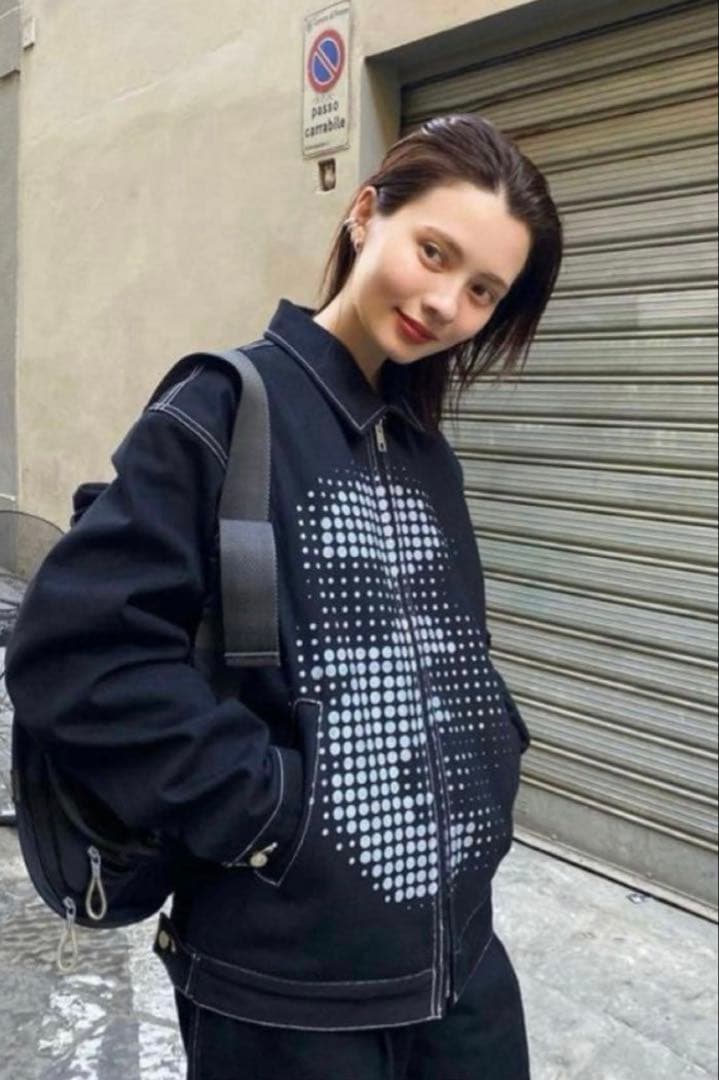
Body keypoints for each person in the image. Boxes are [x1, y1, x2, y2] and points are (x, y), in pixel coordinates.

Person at [5, 113, 562, 1078]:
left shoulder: (424, 452)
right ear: (364, 215)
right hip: (284, 988)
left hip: (459, 962)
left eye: (482, 290)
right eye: (432, 252)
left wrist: (489, 753)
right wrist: (270, 813)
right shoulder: (221, 411)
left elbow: (451, 654)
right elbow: (77, 655)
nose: (444, 302)